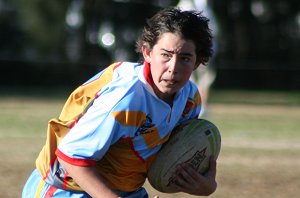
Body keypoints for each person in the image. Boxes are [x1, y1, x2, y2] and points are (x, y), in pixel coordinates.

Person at [22, 7, 217, 198]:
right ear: (147, 53)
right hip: (67, 188)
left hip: (124, 190)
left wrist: (204, 184)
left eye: (185, 58)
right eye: (165, 55)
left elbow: (170, 156)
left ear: (197, 62)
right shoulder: (125, 99)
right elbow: (71, 157)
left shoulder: (189, 100)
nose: (173, 68)